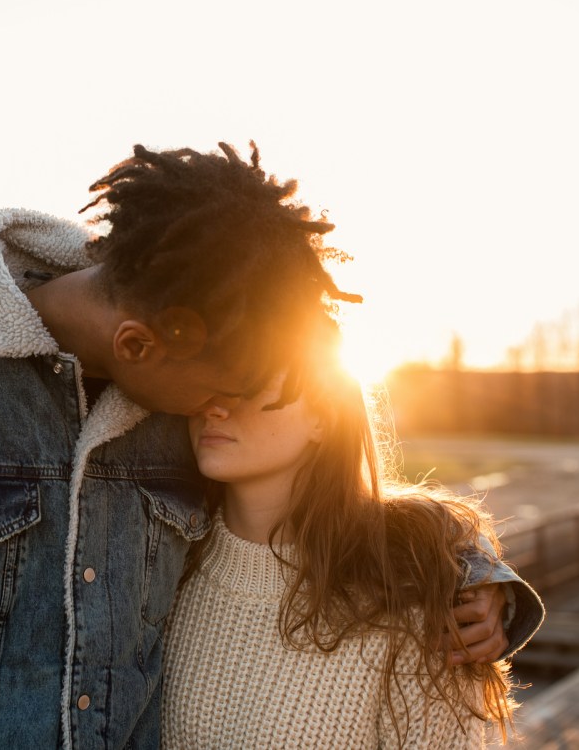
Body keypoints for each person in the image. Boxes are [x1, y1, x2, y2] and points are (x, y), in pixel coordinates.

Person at [0, 142, 539, 749]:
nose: (226, 402)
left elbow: (320, 507)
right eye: (227, 379)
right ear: (145, 343)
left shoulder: (184, 405)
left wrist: (473, 573)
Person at [161, 319, 538, 748]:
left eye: (249, 382)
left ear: (323, 416)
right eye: (206, 378)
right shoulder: (158, 567)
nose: (214, 405)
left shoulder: (416, 595)